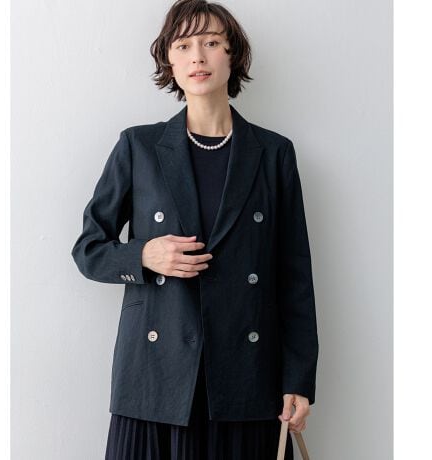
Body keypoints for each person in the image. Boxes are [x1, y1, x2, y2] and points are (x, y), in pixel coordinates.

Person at [71, 0, 319, 458]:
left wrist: (298, 379)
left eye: (211, 43)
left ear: (232, 54)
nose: (198, 57)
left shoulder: (273, 153)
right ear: (169, 59)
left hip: (246, 379)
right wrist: (144, 255)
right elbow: (88, 249)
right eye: (183, 45)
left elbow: (294, 277)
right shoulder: (138, 146)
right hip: (156, 380)